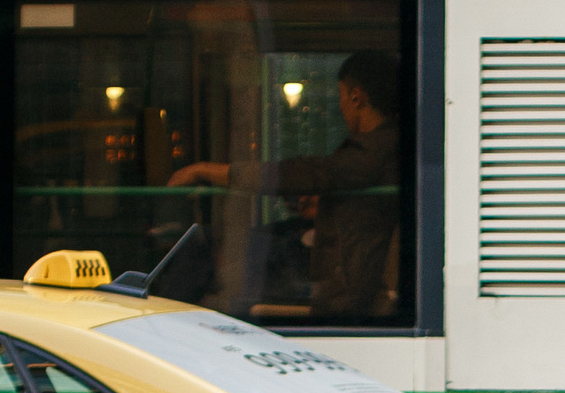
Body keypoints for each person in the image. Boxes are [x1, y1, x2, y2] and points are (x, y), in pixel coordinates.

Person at [168, 52, 400, 318]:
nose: (341, 106)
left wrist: (208, 170)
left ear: (356, 97)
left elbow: (303, 174)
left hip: (344, 286)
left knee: (207, 244)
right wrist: (323, 203)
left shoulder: (377, 148)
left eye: (341, 96)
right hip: (334, 264)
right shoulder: (382, 148)